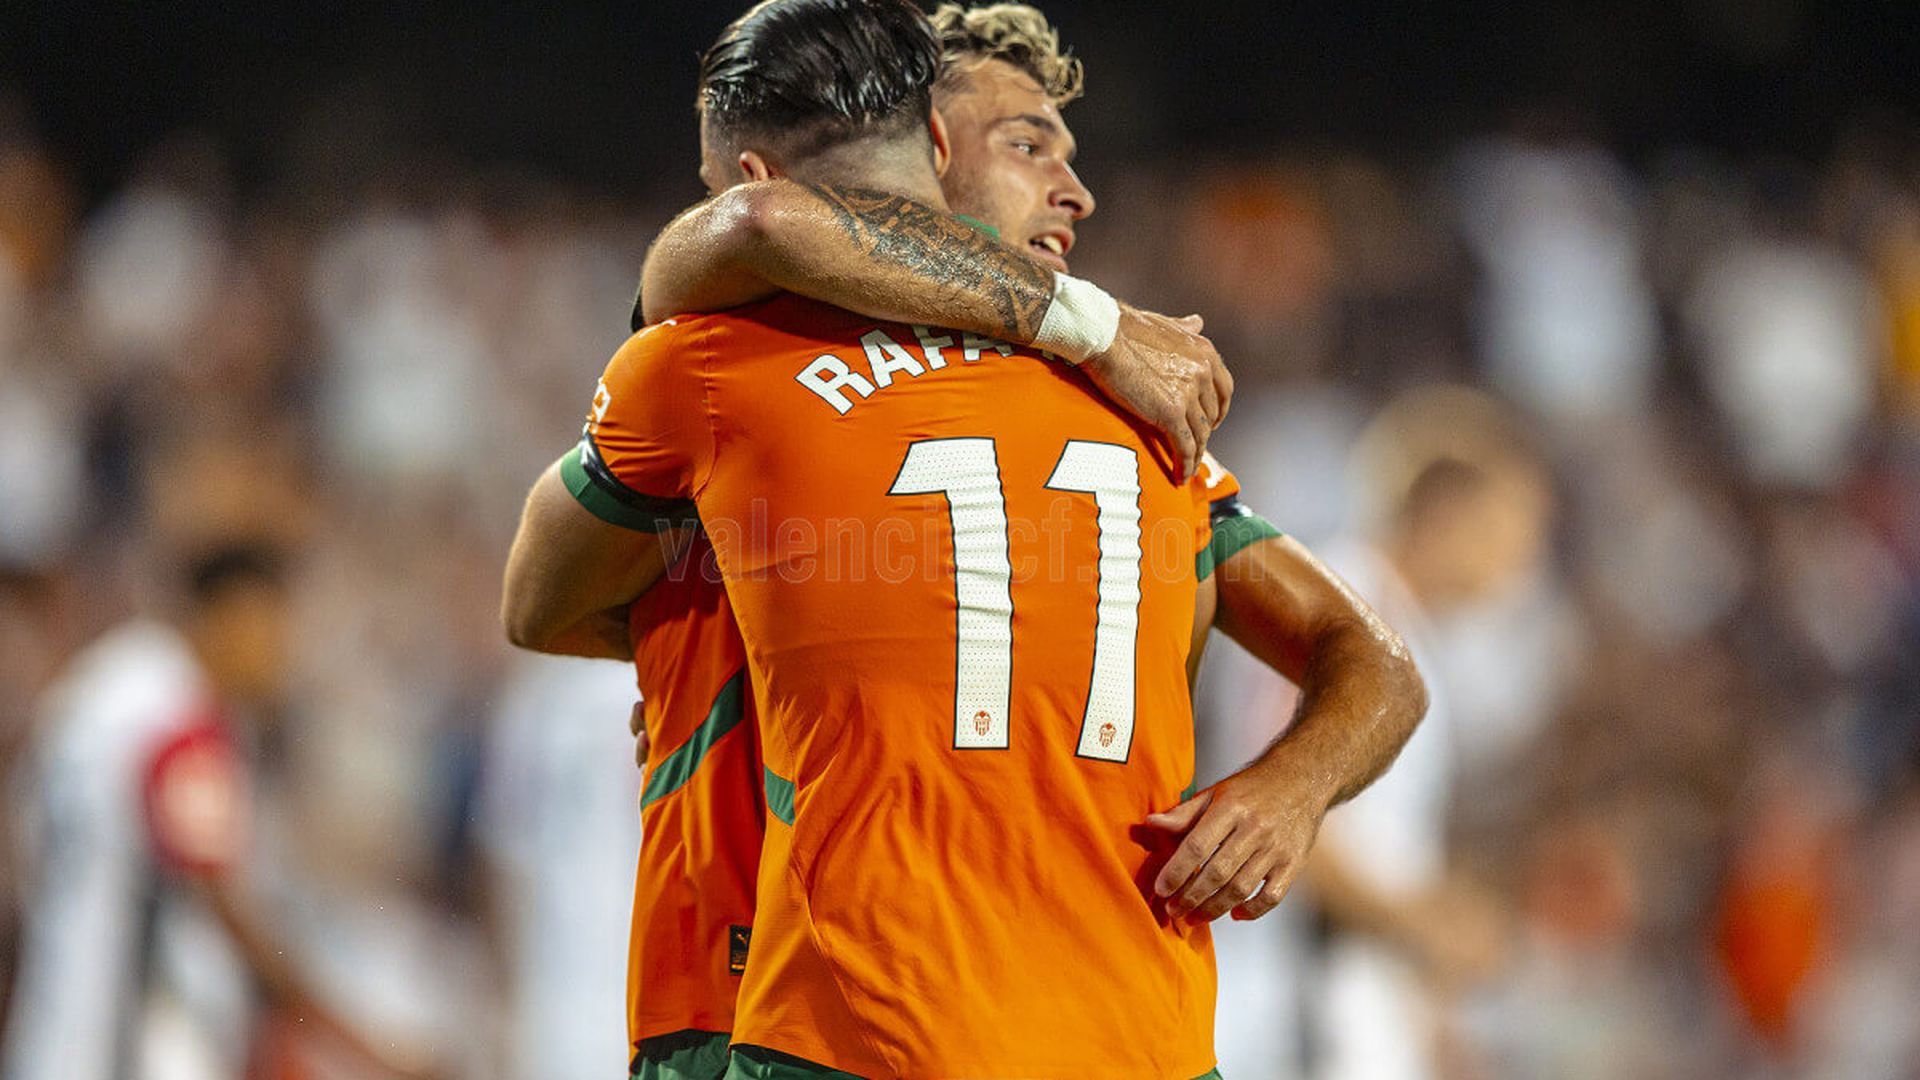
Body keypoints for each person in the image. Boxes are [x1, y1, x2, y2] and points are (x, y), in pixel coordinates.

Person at [505, 1, 1423, 1075]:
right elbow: (757, 231)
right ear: (929, 153)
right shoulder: (1127, 386)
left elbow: (541, 603)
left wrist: (1289, 787)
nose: (1071, 189)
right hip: (1064, 1025)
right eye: (1025, 143)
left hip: (859, 1024)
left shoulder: (725, 367)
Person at [1, 544, 439, 1080]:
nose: (279, 654)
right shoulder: (185, 722)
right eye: (271, 630)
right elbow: (227, 914)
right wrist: (375, 1049)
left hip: (50, 1027)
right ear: (231, 619)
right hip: (124, 1048)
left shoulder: (106, 684)